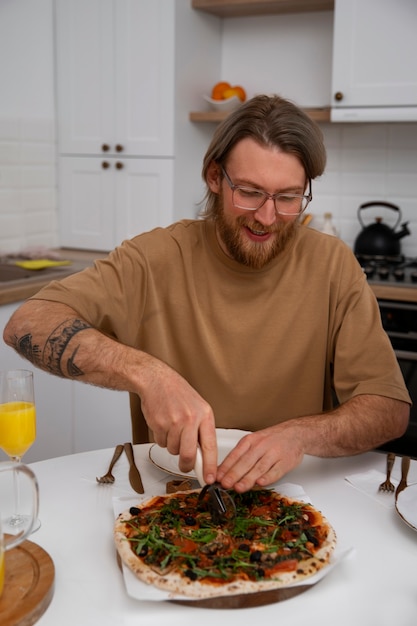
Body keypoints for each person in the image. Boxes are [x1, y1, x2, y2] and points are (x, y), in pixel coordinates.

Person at [3, 95, 410, 493]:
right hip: (171, 495)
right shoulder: (153, 258)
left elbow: (388, 411)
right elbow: (28, 323)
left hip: (301, 497)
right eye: (249, 192)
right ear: (215, 177)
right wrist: (148, 375)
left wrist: (300, 436)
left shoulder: (332, 263)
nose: (267, 217)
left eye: (287, 198)